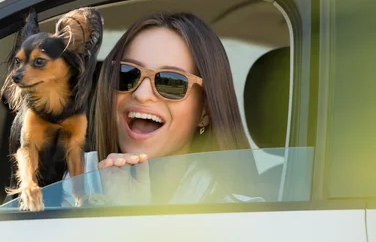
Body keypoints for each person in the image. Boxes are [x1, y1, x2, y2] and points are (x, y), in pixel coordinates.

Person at [59, 11, 263, 207]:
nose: (142, 94)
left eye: (171, 81)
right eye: (126, 73)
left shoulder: (242, 218)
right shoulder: (76, 182)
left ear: (205, 112)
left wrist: (132, 214)